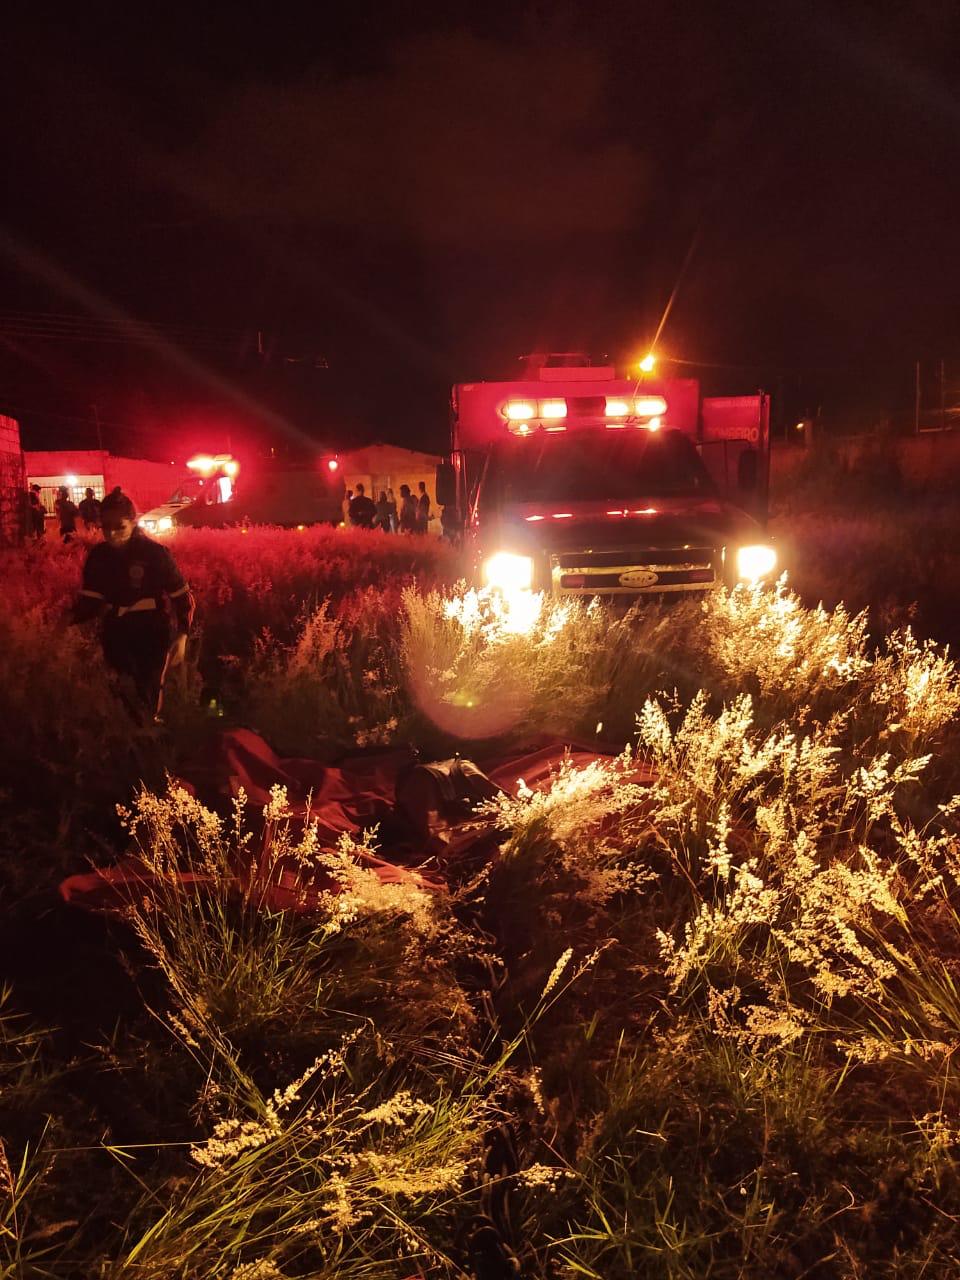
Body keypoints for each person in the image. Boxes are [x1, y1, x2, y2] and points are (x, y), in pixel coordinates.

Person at [72, 489, 194, 722]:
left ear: (132, 522)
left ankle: (150, 739)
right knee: (120, 690)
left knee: (148, 690)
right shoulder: (100, 556)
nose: (112, 534)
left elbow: (183, 597)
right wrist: (64, 622)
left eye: (119, 526)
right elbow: (90, 601)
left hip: (152, 629)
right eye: (105, 527)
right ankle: (129, 744)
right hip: (116, 630)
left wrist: (183, 635)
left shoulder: (155, 553)